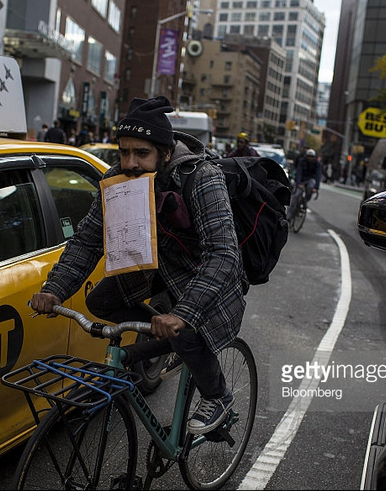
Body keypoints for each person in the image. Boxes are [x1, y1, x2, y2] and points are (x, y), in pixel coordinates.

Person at [30, 95, 245, 435]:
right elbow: (87, 240)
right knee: (99, 301)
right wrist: (54, 289)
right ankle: (177, 343)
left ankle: (217, 394)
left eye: (141, 154)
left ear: (166, 153)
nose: (130, 163)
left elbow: (224, 254)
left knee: (186, 331)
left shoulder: (201, 178)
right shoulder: (119, 179)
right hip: (156, 268)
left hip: (207, 274)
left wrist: (182, 314)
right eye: (124, 151)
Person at [287, 148, 322, 221]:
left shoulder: (317, 164)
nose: (310, 158)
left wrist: (316, 188)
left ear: (314, 157)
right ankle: (289, 216)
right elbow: (299, 172)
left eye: (311, 157)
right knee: (296, 196)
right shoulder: (302, 161)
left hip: (310, 179)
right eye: (308, 156)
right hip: (302, 179)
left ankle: (305, 201)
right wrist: (298, 183)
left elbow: (318, 175)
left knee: (311, 186)